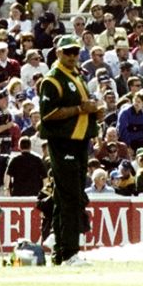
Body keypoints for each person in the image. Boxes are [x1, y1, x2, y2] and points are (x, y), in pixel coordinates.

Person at [38, 34, 102, 266]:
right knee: (71, 197)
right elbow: (48, 114)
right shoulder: (52, 79)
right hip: (63, 142)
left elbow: (84, 107)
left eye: (75, 51)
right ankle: (69, 252)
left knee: (64, 196)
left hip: (80, 142)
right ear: (58, 53)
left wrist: (95, 111)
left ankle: (59, 250)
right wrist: (79, 108)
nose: (73, 56)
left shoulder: (77, 76)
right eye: (68, 52)